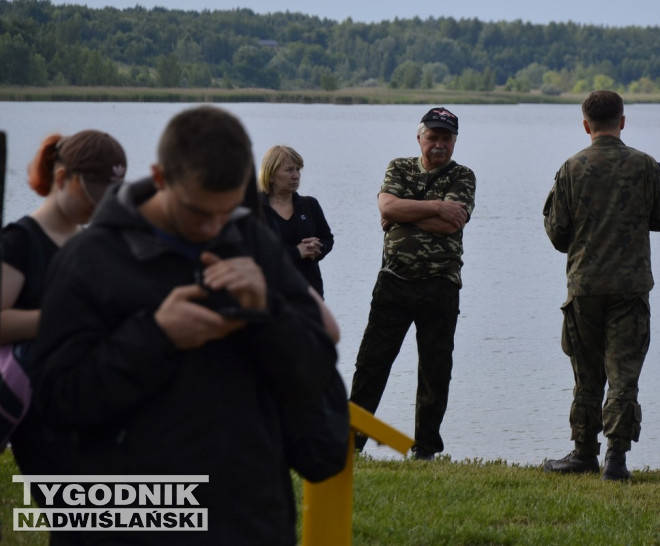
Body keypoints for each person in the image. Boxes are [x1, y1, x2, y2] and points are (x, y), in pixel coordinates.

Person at [30, 105, 338, 544]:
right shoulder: (89, 260)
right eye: (197, 213)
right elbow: (55, 407)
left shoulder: (252, 242)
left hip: (248, 518)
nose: (214, 228)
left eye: (227, 211)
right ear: (159, 177)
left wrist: (268, 314)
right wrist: (155, 337)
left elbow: (318, 372)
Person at [541, 90, 660, 481]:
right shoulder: (645, 165)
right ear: (622, 121)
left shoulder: (571, 167)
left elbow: (556, 233)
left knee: (586, 374)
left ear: (586, 125)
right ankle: (616, 460)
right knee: (623, 374)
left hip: (584, 286)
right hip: (630, 287)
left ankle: (584, 452)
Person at [1, 130, 126, 490]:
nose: (100, 208)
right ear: (61, 178)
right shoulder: (20, 242)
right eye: (94, 196)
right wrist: (65, 319)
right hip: (39, 414)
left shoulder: (91, 244)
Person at [349, 107, 475, 461]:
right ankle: (350, 442)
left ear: (454, 141)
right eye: (433, 137)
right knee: (371, 364)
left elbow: (452, 224)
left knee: (435, 369)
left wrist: (405, 215)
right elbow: (387, 207)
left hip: (440, 284)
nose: (439, 145)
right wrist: (434, 207)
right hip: (393, 280)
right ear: (419, 137)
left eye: (446, 139)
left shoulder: (463, 176)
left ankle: (426, 449)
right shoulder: (399, 167)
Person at [258, 144, 335, 299]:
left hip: (309, 294)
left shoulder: (310, 205)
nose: (296, 175)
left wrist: (318, 249)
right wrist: (296, 252)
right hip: (269, 297)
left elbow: (327, 238)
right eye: (289, 170)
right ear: (271, 174)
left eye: (298, 169)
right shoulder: (256, 209)